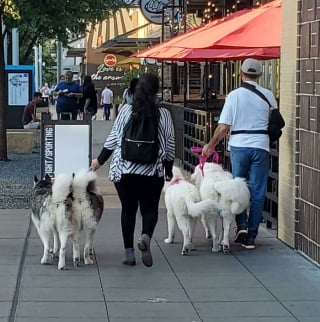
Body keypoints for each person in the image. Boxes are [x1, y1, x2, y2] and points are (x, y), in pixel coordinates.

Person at [91, 72, 175, 267]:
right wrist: (168, 168)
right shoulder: (164, 114)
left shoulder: (126, 111)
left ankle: (128, 252)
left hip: (124, 170)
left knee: (128, 209)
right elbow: (169, 145)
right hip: (151, 171)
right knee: (149, 208)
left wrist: (100, 161)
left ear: (136, 89)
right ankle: (145, 237)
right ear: (156, 91)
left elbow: (113, 138)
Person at [202, 58, 278, 250]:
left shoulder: (234, 96)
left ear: (242, 74)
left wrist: (211, 145)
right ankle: (251, 235)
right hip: (261, 145)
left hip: (239, 145)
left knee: (237, 186)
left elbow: (224, 126)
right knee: (258, 191)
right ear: (259, 75)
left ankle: (241, 226)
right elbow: (274, 122)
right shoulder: (269, 96)